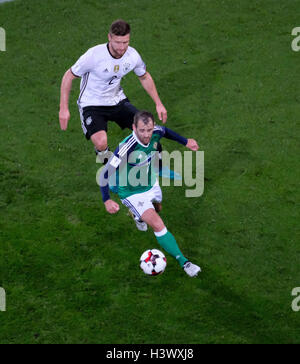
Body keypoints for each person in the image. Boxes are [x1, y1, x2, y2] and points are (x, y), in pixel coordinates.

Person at [99, 110, 201, 277]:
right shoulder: (126, 148)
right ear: (133, 127)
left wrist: (186, 142)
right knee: (158, 224)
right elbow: (105, 173)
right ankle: (185, 263)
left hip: (150, 182)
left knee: (158, 208)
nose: (146, 135)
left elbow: (166, 131)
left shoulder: (156, 132)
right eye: (142, 131)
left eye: (149, 130)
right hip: (132, 193)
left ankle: (137, 215)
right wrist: (107, 200)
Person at [59, 19, 169, 170]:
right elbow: (68, 76)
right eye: (118, 42)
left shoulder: (132, 55)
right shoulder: (93, 55)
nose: (122, 47)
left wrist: (159, 103)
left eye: (126, 42)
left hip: (117, 100)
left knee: (148, 129)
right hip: (92, 104)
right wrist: (64, 108)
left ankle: (158, 167)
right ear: (109, 37)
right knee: (101, 142)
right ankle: (111, 166)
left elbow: (144, 76)